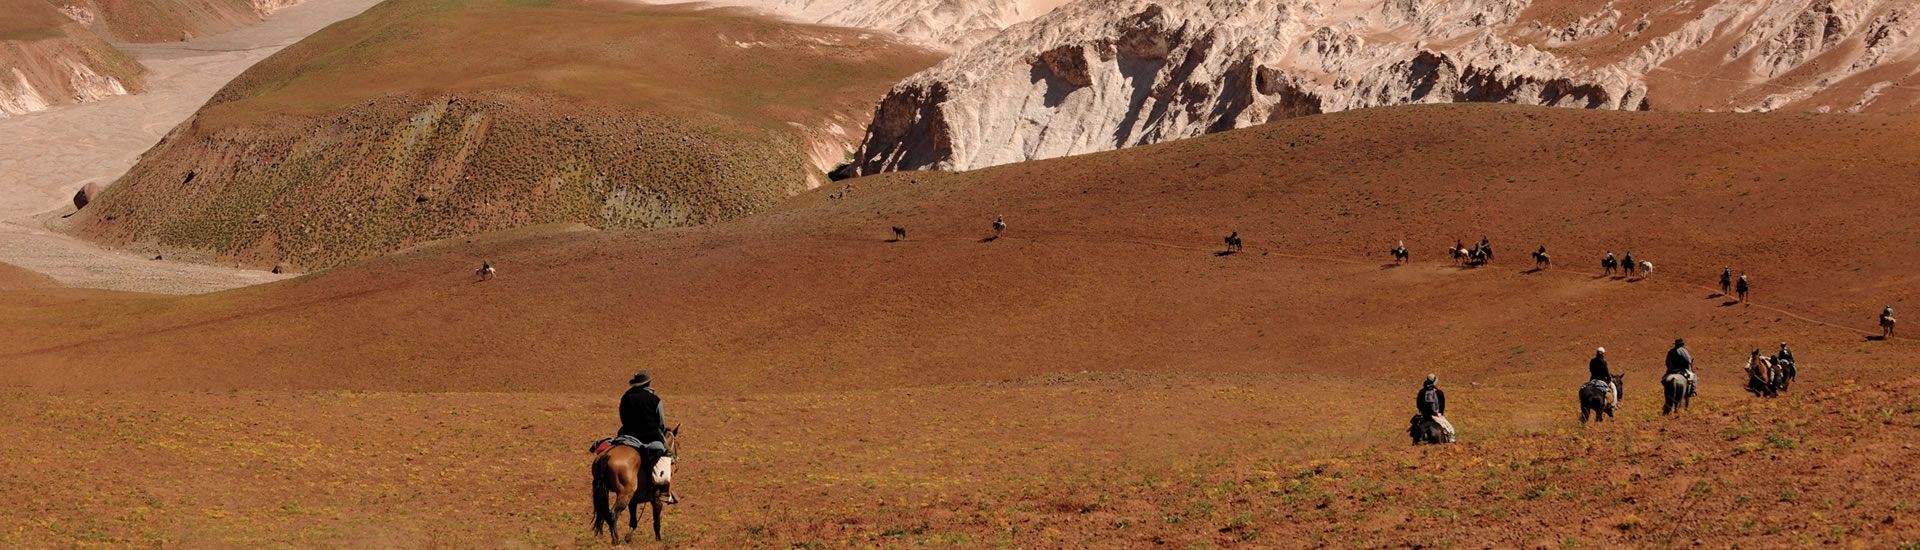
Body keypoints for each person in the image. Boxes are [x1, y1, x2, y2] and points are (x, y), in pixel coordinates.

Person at [1417, 374, 1454, 443]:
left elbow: (1418, 405)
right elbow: (1442, 406)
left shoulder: (1421, 392)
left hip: (1424, 415)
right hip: (1436, 415)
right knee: (1451, 429)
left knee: (1415, 429)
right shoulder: (1439, 392)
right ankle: (1452, 442)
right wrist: (1440, 414)